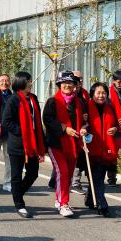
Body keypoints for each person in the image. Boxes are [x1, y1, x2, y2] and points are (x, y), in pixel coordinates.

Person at [43, 70, 88, 218]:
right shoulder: (52, 101)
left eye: (70, 82)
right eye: (64, 83)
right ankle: (64, 204)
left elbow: (85, 121)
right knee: (62, 172)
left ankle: (59, 199)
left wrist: (83, 128)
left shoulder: (79, 102)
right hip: (56, 144)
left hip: (73, 144)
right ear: (59, 85)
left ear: (75, 85)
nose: (67, 85)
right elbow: (48, 120)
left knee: (67, 174)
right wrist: (64, 128)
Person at [2, 72, 45, 218]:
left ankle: (17, 193)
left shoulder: (33, 98)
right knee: (16, 175)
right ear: (21, 82)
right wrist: (23, 131)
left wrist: (42, 141)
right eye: (29, 81)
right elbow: (7, 121)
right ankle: (19, 204)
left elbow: (37, 122)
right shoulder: (13, 99)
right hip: (18, 145)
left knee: (33, 173)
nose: (31, 83)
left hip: (32, 143)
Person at [84, 82, 119, 217]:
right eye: (98, 93)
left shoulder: (110, 108)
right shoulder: (86, 107)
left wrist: (115, 128)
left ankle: (90, 199)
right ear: (92, 94)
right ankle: (102, 204)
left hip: (106, 149)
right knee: (96, 177)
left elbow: (116, 124)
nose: (101, 95)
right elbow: (80, 123)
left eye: (104, 93)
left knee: (98, 177)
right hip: (90, 149)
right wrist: (83, 127)